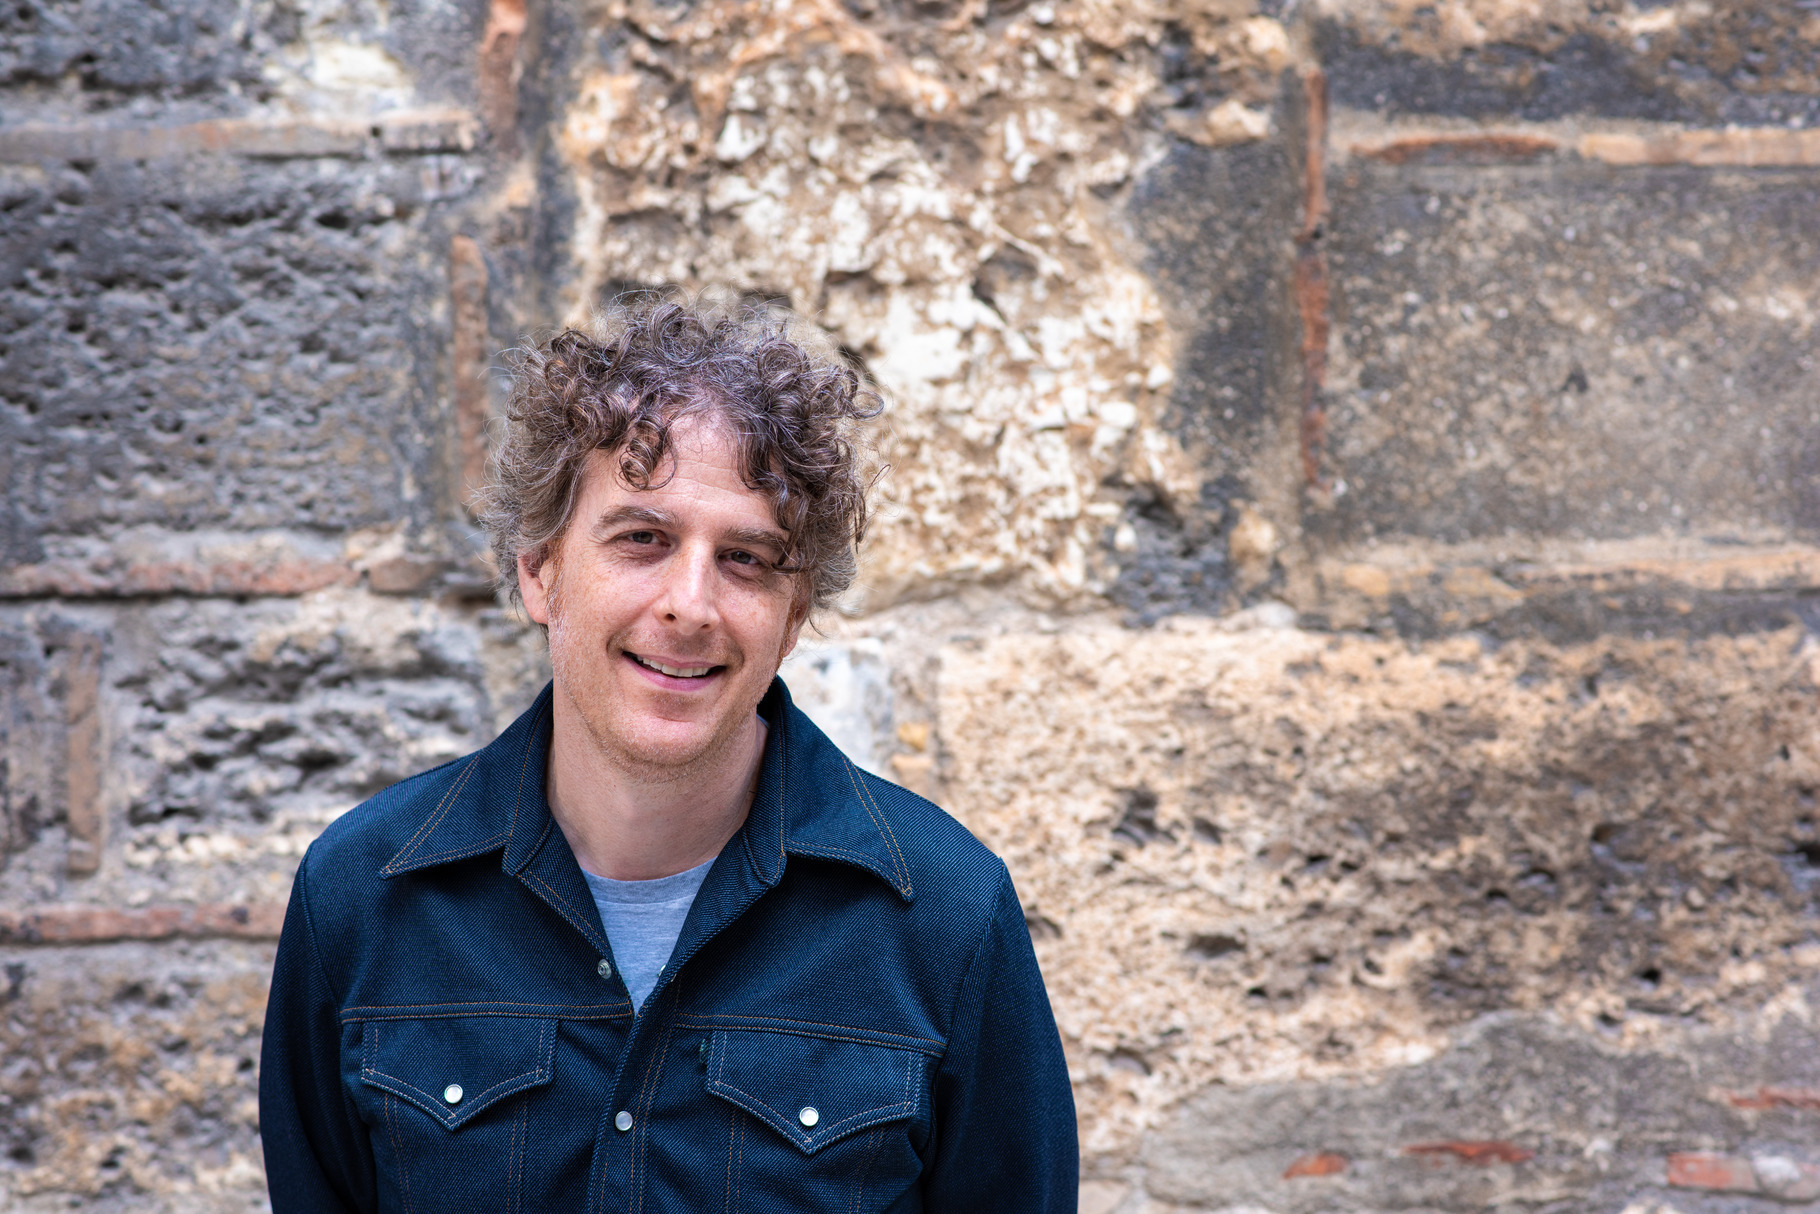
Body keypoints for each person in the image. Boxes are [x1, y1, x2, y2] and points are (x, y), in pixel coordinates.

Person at [258, 294, 1078, 1211]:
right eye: (643, 539)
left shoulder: (947, 917)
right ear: (539, 570)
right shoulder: (360, 896)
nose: (691, 604)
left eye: (747, 559)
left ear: (794, 616)